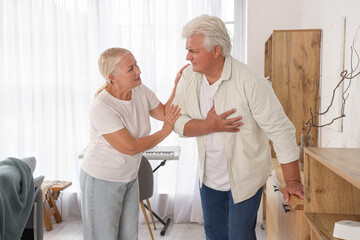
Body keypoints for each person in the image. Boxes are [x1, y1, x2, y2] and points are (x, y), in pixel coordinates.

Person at [172, 15, 304, 240]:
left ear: (216, 50)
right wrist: (208, 125)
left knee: (239, 236)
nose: (187, 57)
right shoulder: (188, 77)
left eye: (193, 51)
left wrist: (292, 181)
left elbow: (281, 130)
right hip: (208, 179)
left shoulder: (250, 82)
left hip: (245, 179)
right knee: (214, 235)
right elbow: (176, 121)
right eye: (187, 50)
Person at [80, 47, 186, 240]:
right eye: (131, 68)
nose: (138, 70)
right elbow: (130, 147)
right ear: (113, 77)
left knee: (129, 236)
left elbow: (164, 113)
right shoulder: (102, 107)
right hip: (102, 180)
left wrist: (177, 86)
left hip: (129, 177)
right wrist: (164, 131)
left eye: (136, 64)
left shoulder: (139, 90)